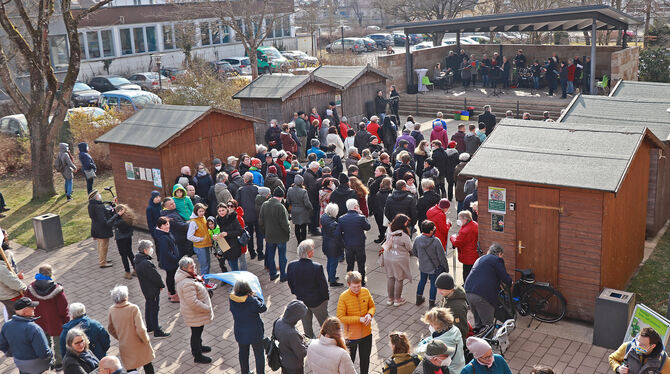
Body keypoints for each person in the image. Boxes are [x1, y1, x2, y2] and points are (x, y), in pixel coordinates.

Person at [24, 264, 68, 370]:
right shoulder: (57, 290)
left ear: (39, 273)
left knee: (44, 342)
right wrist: (66, 320)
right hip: (56, 321)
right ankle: (59, 363)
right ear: (51, 273)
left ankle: (48, 361)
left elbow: (27, 304)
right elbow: (63, 308)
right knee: (58, 343)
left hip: (39, 321)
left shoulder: (30, 288)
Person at [287, 239, 330, 339]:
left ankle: (311, 345)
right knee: (325, 325)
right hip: (318, 302)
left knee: (307, 328)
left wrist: (296, 292)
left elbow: (290, 283)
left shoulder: (291, 265)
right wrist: (325, 298)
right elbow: (323, 286)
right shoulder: (317, 267)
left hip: (302, 301)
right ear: (309, 253)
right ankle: (327, 341)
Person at [107, 285, 155, 373]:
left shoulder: (111, 310)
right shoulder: (133, 308)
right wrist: (146, 340)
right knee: (147, 365)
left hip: (124, 345)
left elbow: (110, 328)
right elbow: (141, 329)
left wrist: (120, 337)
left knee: (131, 369)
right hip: (139, 342)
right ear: (126, 296)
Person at [175, 256, 214, 364]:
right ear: (184, 268)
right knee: (196, 333)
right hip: (195, 312)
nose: (194, 269)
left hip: (195, 313)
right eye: (192, 267)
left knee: (198, 331)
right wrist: (206, 308)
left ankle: (199, 347)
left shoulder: (187, 276)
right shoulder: (186, 283)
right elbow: (193, 302)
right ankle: (197, 355)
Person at [464, 244, 512, 330]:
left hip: (468, 292)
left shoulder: (481, 258)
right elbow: (504, 277)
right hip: (483, 295)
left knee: (478, 322)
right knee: (488, 325)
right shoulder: (497, 260)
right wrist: (510, 282)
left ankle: (478, 339)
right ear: (500, 254)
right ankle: (487, 342)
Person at [0, 297, 53, 372]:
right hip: (38, 366)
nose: (34, 308)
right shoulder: (34, 328)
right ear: (25, 311)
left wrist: (14, 354)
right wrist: (51, 356)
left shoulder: (6, 325)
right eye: (32, 307)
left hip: (20, 364)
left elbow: (2, 345)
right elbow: (43, 353)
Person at [337, 271, 375, 374]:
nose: (357, 289)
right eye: (354, 287)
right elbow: (341, 317)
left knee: (365, 360)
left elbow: (372, 306)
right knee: (349, 363)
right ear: (349, 284)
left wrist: (369, 315)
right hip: (351, 337)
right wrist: (359, 319)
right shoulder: (343, 297)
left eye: (359, 286)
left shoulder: (365, 291)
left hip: (367, 334)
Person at [134, 240, 169, 338]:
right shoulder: (146, 263)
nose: (151, 249)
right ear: (145, 250)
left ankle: (150, 326)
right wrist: (161, 285)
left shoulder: (138, 260)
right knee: (154, 309)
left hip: (146, 289)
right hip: (152, 290)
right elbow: (155, 276)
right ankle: (157, 331)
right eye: (150, 247)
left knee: (149, 306)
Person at [230, 280, 267, 374]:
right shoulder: (252, 301)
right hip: (255, 332)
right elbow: (263, 308)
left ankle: (245, 372)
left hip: (240, 332)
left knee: (243, 353)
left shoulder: (232, 299)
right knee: (259, 354)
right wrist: (256, 296)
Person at [414, 221, 449, 308]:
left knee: (422, 281)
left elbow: (414, 252)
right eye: (433, 229)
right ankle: (431, 303)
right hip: (434, 268)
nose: (434, 230)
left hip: (423, 266)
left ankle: (418, 299)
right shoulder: (436, 241)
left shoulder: (417, 239)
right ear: (430, 231)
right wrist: (446, 268)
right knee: (433, 284)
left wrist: (421, 258)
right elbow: (442, 257)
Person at [419, 308, 465, 374]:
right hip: (460, 364)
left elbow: (430, 356)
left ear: (439, 325)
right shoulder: (455, 329)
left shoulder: (440, 342)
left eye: (432, 324)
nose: (430, 326)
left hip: (451, 371)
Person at [259, 186, 291, 282]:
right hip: (281, 237)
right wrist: (288, 232)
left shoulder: (264, 205)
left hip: (269, 236)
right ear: (281, 197)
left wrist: (265, 233)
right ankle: (283, 275)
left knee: (270, 255)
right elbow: (285, 224)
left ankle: (272, 274)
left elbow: (261, 222)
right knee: (282, 256)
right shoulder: (280, 207)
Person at [383, 214, 413, 307]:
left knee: (390, 277)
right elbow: (410, 247)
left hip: (388, 257)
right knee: (399, 279)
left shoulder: (389, 229)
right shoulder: (404, 235)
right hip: (399, 259)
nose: (407, 224)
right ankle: (397, 299)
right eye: (406, 222)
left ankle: (390, 299)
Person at [339, 199, 371, 286]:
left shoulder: (341, 219)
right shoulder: (360, 217)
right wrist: (361, 214)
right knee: (361, 263)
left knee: (350, 263)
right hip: (359, 244)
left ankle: (350, 280)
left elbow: (339, 232)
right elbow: (368, 227)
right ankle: (362, 281)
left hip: (348, 244)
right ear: (356, 207)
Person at [276, 300, 309, 374]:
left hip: (283, 359)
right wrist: (308, 345)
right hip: (294, 365)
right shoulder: (292, 333)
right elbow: (301, 353)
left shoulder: (278, 321)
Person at [435, 273, 468, 346]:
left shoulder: (457, 308)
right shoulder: (448, 294)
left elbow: (462, 329)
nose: (439, 291)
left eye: (441, 289)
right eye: (438, 288)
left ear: (451, 289)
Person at [187, 203, 215, 289]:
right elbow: (189, 236)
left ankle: (206, 281)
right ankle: (205, 283)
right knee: (204, 265)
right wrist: (201, 239)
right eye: (200, 211)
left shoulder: (203, 218)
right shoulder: (193, 222)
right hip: (200, 247)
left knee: (208, 264)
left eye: (203, 211)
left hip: (206, 245)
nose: (202, 213)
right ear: (196, 212)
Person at [237, 172, 263, 260]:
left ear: (245, 180)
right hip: (257, 216)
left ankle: (252, 253)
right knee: (259, 235)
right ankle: (260, 253)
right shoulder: (257, 189)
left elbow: (238, 204)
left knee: (249, 235)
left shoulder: (240, 190)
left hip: (246, 217)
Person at [153, 216, 180, 303]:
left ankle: (171, 292)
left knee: (170, 276)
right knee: (171, 277)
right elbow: (166, 252)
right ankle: (173, 295)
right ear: (160, 226)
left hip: (169, 260)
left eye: (167, 224)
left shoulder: (165, 233)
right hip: (170, 261)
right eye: (164, 225)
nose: (167, 226)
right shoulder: (163, 237)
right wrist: (175, 258)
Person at [106, 204, 135, 279]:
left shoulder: (120, 221)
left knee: (124, 255)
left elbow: (109, 223)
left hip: (121, 239)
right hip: (128, 237)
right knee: (130, 253)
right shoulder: (129, 217)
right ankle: (135, 269)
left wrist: (116, 215)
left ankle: (127, 272)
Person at [450, 210, 479, 282]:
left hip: (467, 256)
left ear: (465, 219)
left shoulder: (464, 231)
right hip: (474, 253)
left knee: (466, 273)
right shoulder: (475, 224)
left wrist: (452, 237)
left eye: (460, 219)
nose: (458, 221)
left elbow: (457, 243)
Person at [215, 201, 245, 271]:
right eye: (219, 211)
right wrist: (215, 235)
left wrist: (227, 233)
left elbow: (240, 231)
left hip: (233, 245)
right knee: (230, 265)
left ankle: (238, 281)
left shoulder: (232, 218)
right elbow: (214, 230)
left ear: (227, 210)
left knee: (234, 267)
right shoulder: (217, 220)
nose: (221, 212)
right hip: (223, 245)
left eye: (223, 210)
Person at [320, 203, 344, 287]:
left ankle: (330, 277)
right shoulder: (334, 224)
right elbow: (338, 237)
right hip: (334, 247)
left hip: (326, 244)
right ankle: (332, 281)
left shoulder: (324, 218)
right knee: (333, 263)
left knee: (329, 261)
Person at [88, 190, 114, 268]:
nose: (100, 196)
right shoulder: (99, 207)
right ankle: (103, 262)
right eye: (98, 195)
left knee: (100, 245)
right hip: (102, 229)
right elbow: (103, 220)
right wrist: (109, 223)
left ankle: (103, 259)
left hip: (96, 227)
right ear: (96, 197)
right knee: (104, 246)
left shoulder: (91, 205)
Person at [0, 242, 25, 317]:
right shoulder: (1, 268)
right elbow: (13, 283)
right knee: (21, 315)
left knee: (12, 315)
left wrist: (16, 276)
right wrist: (24, 289)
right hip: (11, 296)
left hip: (5, 295)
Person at [287, 174, 313, 244]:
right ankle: (303, 242)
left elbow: (288, 201)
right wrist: (311, 209)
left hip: (294, 211)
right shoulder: (303, 191)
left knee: (297, 227)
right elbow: (307, 203)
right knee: (303, 227)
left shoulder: (290, 190)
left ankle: (299, 241)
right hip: (303, 211)